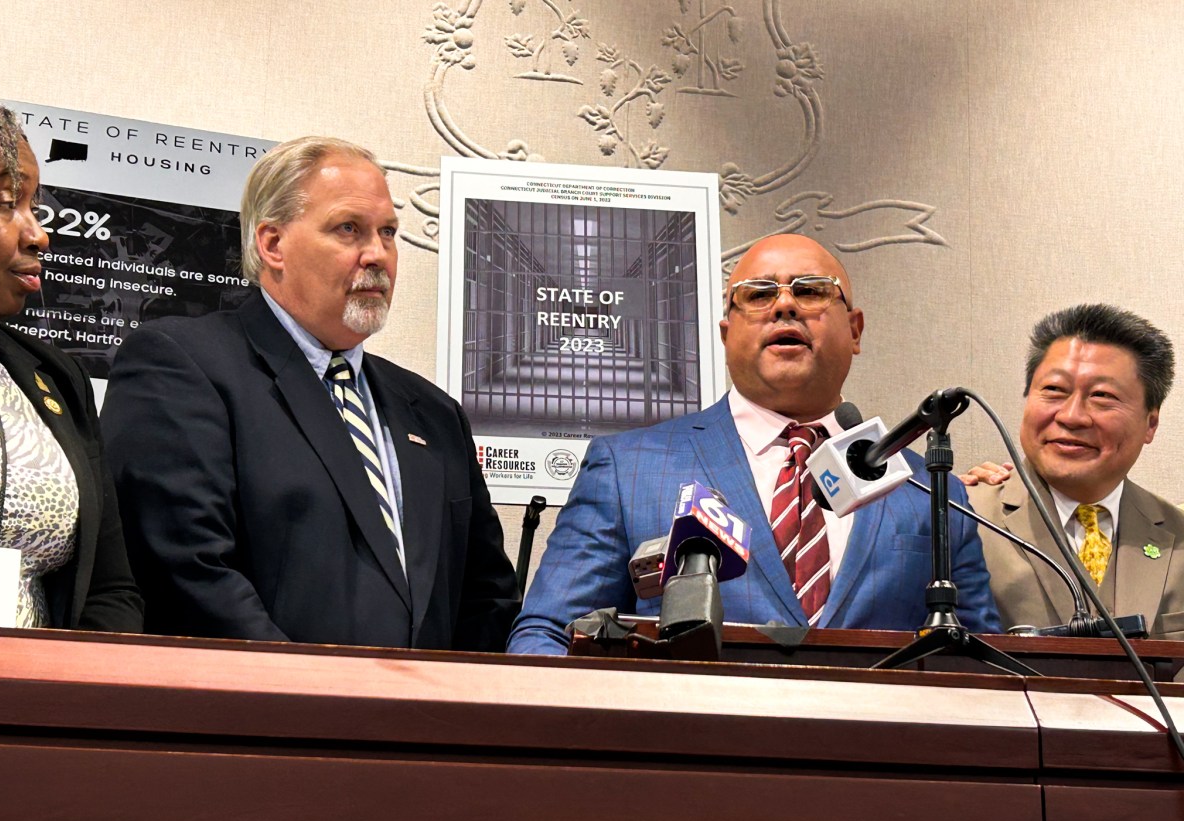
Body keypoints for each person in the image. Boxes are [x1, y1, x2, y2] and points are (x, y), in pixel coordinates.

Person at [101, 136, 518, 649]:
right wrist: (312, 701)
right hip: (264, 718)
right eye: (349, 229)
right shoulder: (183, 365)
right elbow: (186, 571)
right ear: (272, 245)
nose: (378, 255)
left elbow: (487, 596)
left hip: (426, 721)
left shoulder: (434, 413)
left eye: (388, 233)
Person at [508, 234, 998, 654]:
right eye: (759, 295)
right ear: (726, 334)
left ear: (854, 331)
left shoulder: (930, 490)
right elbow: (550, 633)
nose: (785, 305)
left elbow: (985, 657)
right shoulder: (626, 469)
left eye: (810, 291)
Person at [0, 97, 142, 631]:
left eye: (33, 205)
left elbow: (110, 587)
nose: (37, 233)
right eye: (8, 202)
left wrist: (77, 700)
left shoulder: (56, 377)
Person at [964, 304, 1184, 638]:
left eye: (1102, 396)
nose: (1071, 416)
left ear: (1150, 423)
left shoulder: (1178, 535)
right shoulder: (958, 513)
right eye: (1054, 390)